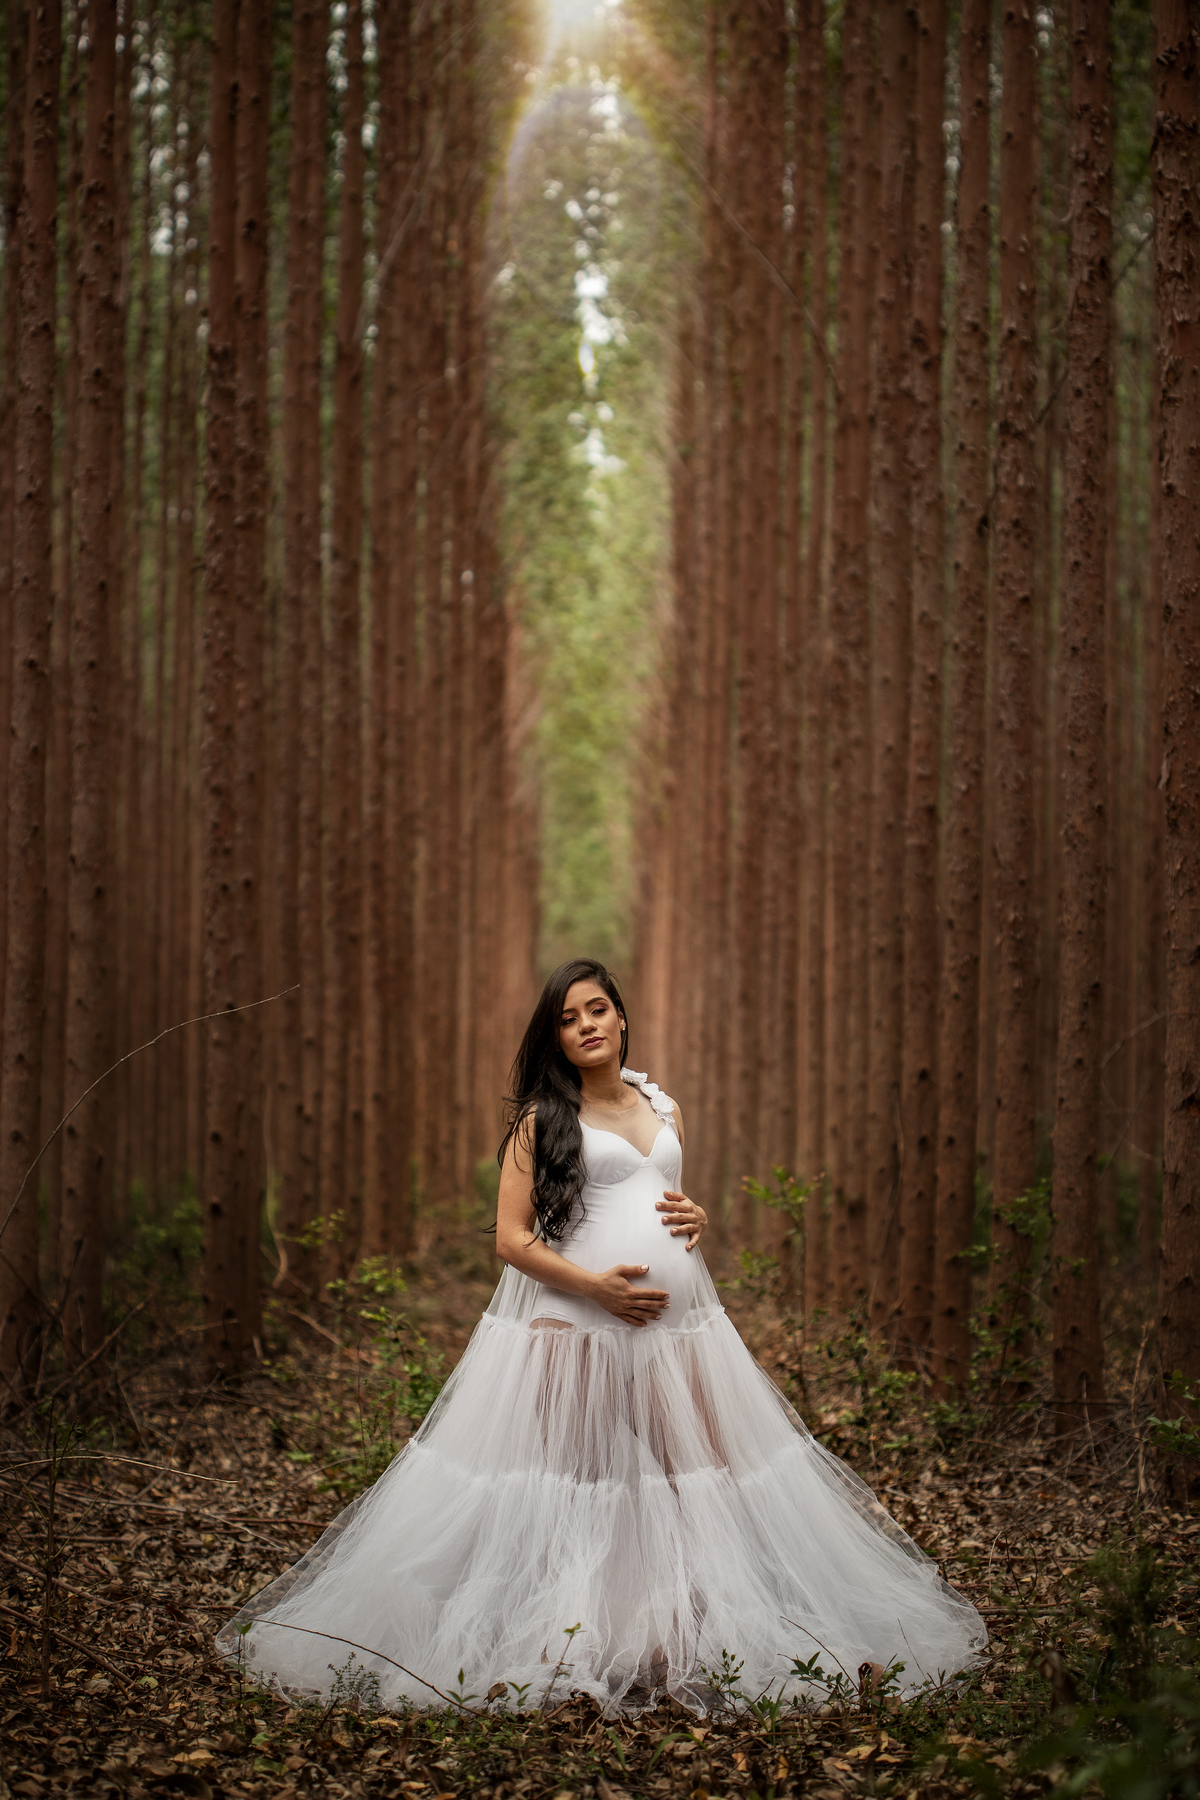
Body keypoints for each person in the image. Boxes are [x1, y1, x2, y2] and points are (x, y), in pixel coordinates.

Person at [217, 957, 986, 1715]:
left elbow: (664, 1198)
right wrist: (598, 1291)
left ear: (620, 1015)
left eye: (595, 1010)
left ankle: (682, 1636)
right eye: (566, 1017)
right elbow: (513, 1241)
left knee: (701, 1480)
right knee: (568, 1492)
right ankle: (556, 1643)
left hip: (678, 1334)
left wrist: (699, 1217)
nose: (585, 1026)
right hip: (572, 1331)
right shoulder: (540, 1122)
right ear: (554, 1037)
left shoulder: (664, 1104)